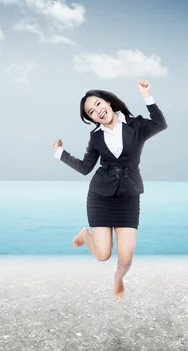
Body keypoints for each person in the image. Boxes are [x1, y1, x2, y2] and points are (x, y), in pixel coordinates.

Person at [51, 79, 168, 301]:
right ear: (91, 119)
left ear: (107, 101)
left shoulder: (137, 126)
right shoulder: (96, 137)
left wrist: (147, 96)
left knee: (125, 258)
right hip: (100, 197)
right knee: (103, 255)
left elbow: (161, 124)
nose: (97, 111)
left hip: (128, 197)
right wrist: (60, 153)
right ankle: (86, 235)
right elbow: (86, 167)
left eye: (98, 104)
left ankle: (118, 278)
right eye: (91, 112)